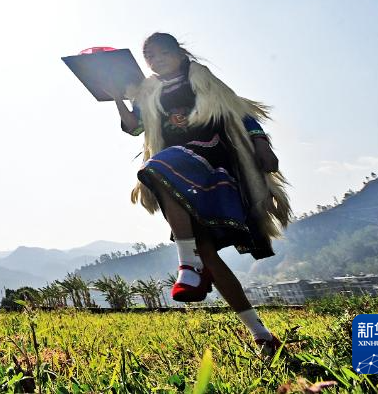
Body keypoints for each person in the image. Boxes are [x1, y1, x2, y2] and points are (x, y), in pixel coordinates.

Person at [108, 33, 291, 356]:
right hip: (176, 173)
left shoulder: (201, 78)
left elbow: (242, 114)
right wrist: (117, 98)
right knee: (205, 250)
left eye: (162, 53)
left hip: (208, 158)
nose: (156, 60)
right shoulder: (148, 91)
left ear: (179, 53)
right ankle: (261, 335)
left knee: (157, 167)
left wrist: (262, 145)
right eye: (150, 56)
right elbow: (135, 128)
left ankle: (187, 263)